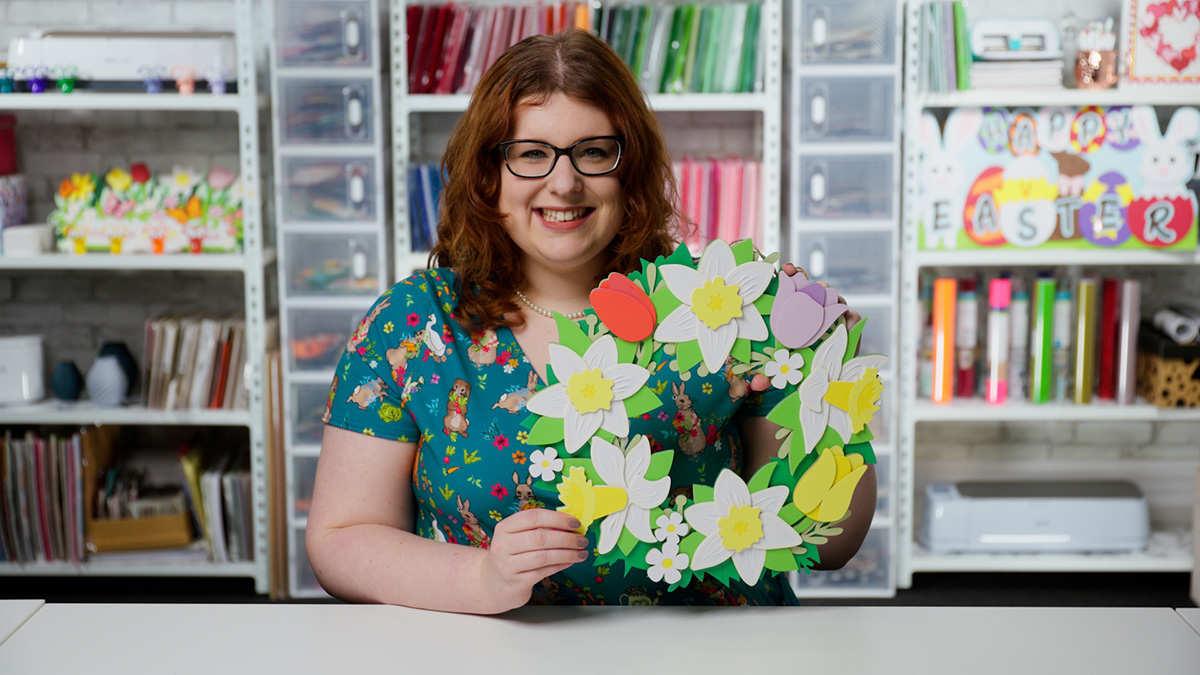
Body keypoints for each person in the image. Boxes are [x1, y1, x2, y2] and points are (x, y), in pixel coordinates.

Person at [307, 29, 875, 613]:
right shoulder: (413, 324)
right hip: (494, 650)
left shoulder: (722, 310)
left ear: (631, 170)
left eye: (595, 152)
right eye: (531, 154)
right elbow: (341, 538)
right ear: (487, 174)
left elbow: (830, 547)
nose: (564, 183)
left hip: (713, 648)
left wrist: (826, 389)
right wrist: (480, 578)